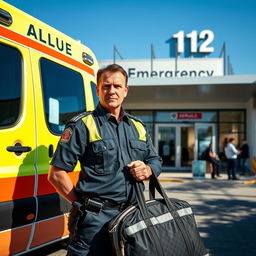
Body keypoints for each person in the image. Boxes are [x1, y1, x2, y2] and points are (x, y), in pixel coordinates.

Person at [48, 64, 162, 256]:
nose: (112, 91)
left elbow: (155, 159)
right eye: (106, 86)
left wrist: (149, 170)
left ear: (126, 90)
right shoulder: (82, 125)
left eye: (117, 86)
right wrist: (80, 206)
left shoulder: (138, 126)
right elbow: (56, 174)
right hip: (94, 220)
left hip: (134, 216)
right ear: (97, 90)